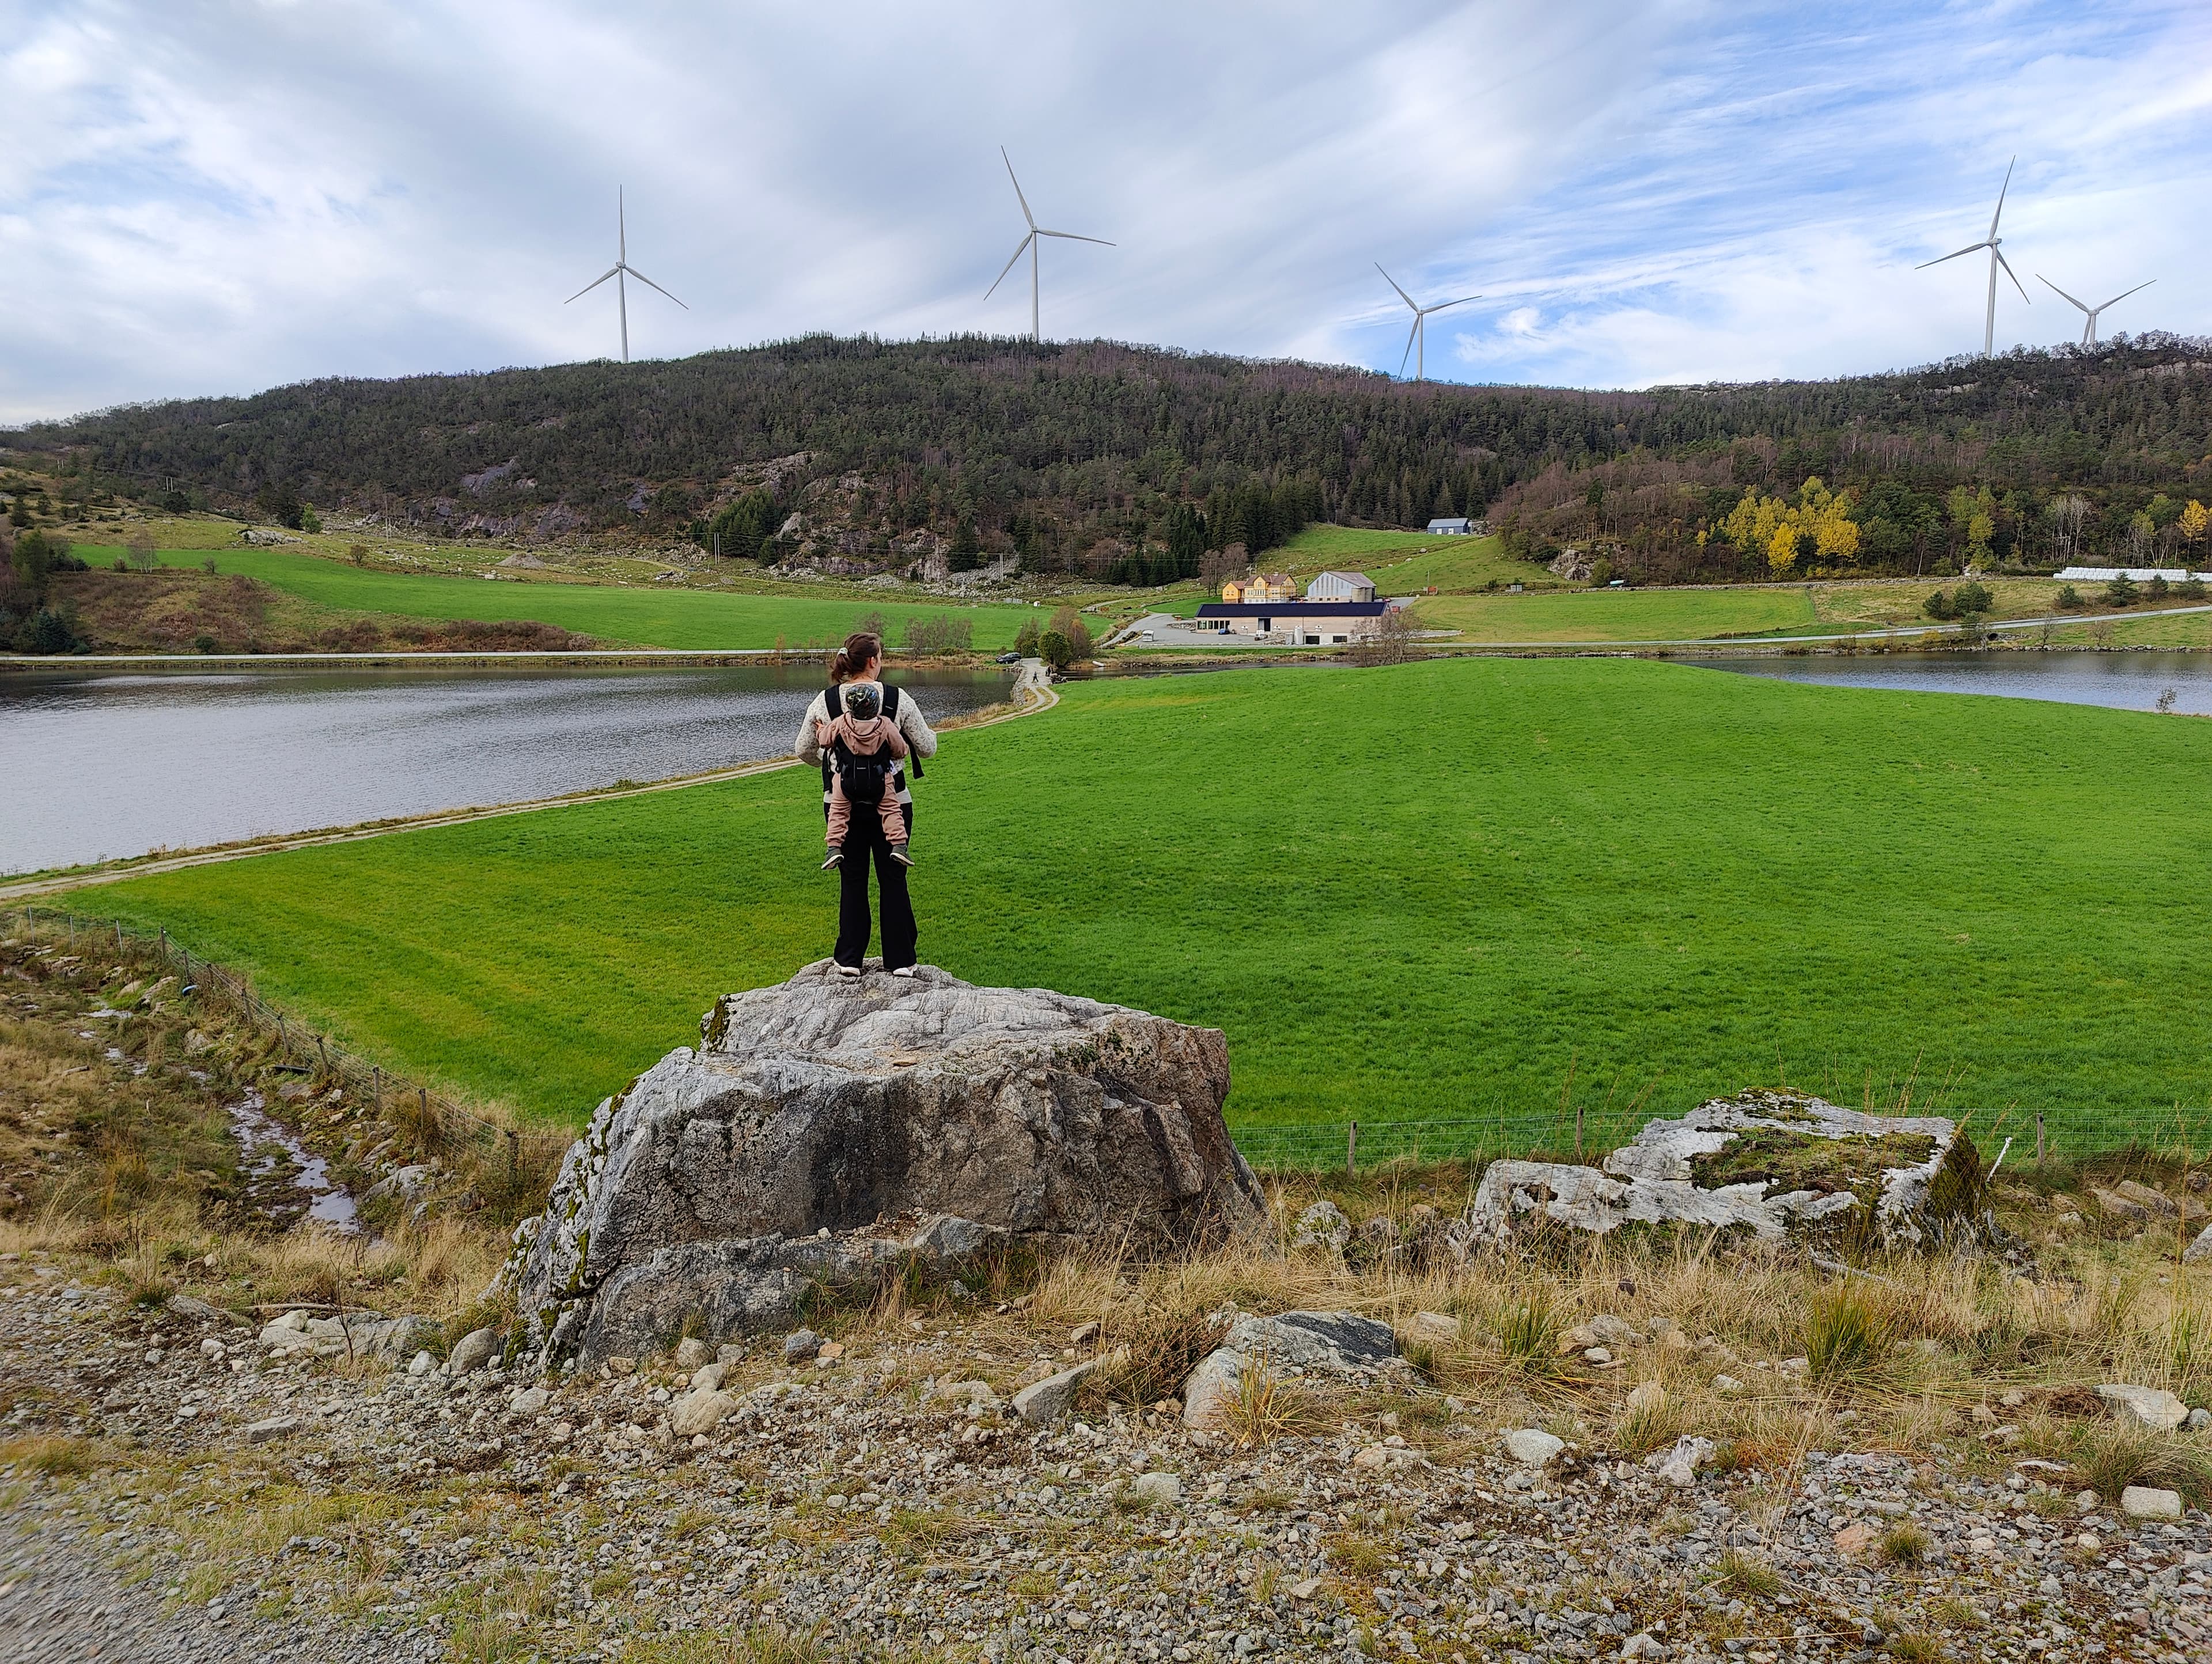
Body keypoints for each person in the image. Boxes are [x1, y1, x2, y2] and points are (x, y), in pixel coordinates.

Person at [792, 631, 937, 978]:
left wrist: (834, 767)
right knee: (894, 880)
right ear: (873, 661)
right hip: (893, 803)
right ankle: (901, 960)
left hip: (841, 803)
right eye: (881, 656)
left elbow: (803, 749)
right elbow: (928, 747)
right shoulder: (897, 700)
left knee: (853, 881)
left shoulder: (824, 703)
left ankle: (849, 959)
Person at [814, 679, 912, 869]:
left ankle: (833, 847)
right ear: (876, 707)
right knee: (891, 809)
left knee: (838, 812)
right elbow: (900, 750)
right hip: (880, 779)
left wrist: (820, 730)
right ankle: (899, 845)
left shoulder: (841, 722)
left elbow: (825, 741)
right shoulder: (885, 725)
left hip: (846, 779)